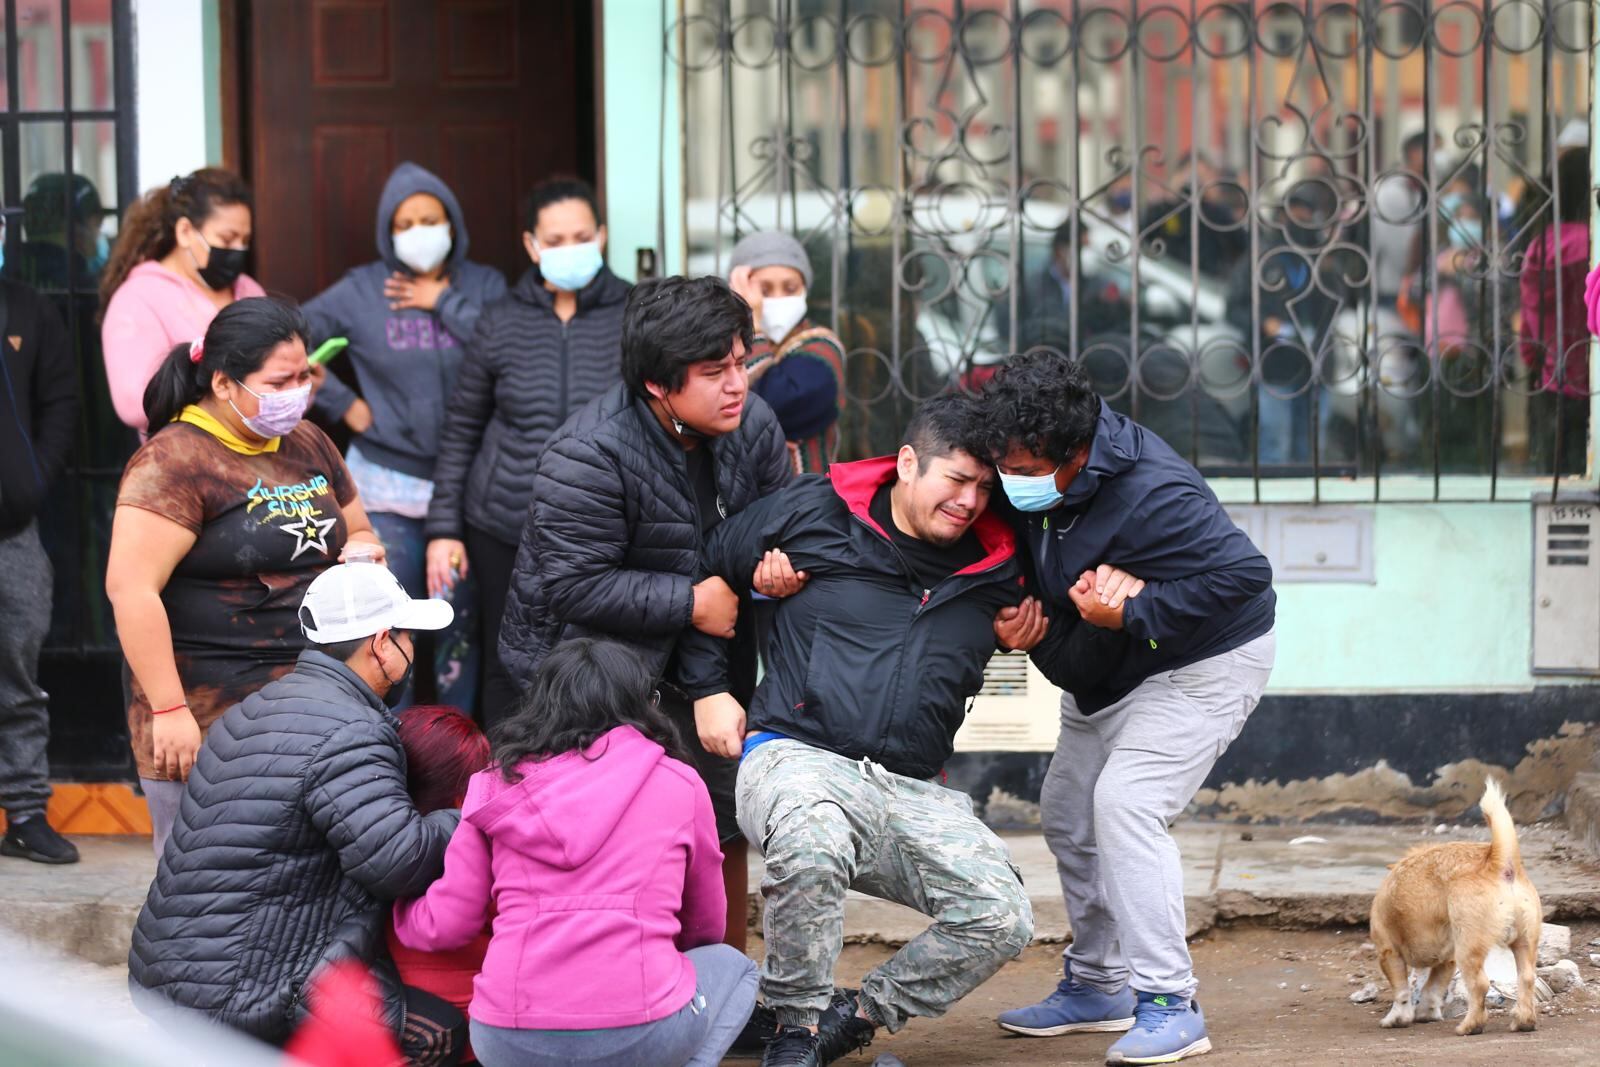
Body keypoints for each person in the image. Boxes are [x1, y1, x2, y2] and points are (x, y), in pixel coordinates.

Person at [676, 394, 1133, 1067]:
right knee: (811, 843)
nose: (971, 501)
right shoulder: (813, 511)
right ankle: (793, 1030)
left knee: (1001, 913)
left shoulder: (1005, 557)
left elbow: (1077, 662)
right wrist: (710, 689)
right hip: (796, 755)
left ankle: (853, 1018)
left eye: (985, 487)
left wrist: (1070, 627)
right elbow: (704, 571)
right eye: (957, 479)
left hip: (911, 789)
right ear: (909, 462)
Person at [977, 352, 1275, 1065]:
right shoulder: (1031, 475)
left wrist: (1136, 608)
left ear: (1075, 455)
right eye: (1003, 465)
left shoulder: (1154, 492)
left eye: (1024, 468)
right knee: (1069, 810)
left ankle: (1170, 1001)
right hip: (1109, 667)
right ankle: (1099, 982)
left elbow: (1245, 575)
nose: (1010, 479)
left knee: (1127, 802)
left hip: (1202, 662)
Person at [496, 275, 791, 952]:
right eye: (714, 372)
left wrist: (777, 566)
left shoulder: (752, 423)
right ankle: (628, 984)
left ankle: (722, 984)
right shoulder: (588, 452)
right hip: (590, 671)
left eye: (741, 362)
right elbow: (573, 585)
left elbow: (779, 523)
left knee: (720, 820)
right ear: (658, 383)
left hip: (707, 660)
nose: (737, 385)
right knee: (621, 842)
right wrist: (691, 601)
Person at [128, 562, 463, 1064]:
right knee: (439, 1032)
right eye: (407, 637)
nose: (411, 650)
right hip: (238, 992)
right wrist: (467, 814)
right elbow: (398, 861)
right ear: (381, 644)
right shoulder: (350, 729)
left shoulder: (250, 710)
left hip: (164, 973)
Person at [394, 638, 759, 1067]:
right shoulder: (680, 782)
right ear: (642, 706)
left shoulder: (492, 786)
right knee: (736, 967)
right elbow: (706, 926)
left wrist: (395, 913)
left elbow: (448, 923)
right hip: (643, 1032)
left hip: (507, 1037)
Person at [105, 297, 385, 855]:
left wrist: (362, 547)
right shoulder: (174, 461)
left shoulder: (309, 441)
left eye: (304, 376)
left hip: (312, 703)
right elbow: (131, 589)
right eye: (279, 382)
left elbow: (359, 527)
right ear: (223, 383)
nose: (297, 392)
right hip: (210, 712)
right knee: (207, 872)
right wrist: (169, 709)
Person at [425, 178, 630, 726]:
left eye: (581, 236)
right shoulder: (500, 318)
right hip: (504, 522)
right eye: (555, 239)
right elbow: (462, 426)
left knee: (599, 662)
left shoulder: (636, 312)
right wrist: (444, 529)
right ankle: (507, 773)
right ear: (532, 245)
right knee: (507, 662)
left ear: (602, 236)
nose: (570, 248)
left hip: (603, 523)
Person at [305, 162, 507, 711]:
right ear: (387, 232)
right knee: (384, 626)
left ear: (453, 224)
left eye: (431, 219)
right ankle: (382, 747)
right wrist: (344, 404)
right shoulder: (363, 290)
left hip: (467, 488)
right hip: (384, 488)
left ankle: (454, 746)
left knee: (457, 626)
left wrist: (441, 301)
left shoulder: (485, 286)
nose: (419, 232)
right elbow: (288, 339)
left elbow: (509, 348)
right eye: (405, 223)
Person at [0, 260, 80, 865]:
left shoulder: (26, 307)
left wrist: (31, 482)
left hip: (13, 531)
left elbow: (61, 402)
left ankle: (25, 815)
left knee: (18, 675)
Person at [100, 168, 265, 435]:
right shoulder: (137, 299)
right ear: (186, 231)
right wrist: (236, 393)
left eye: (244, 241)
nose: (237, 250)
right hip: (186, 454)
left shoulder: (248, 288)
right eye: (227, 239)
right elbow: (134, 403)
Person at [388, 705, 494, 1061]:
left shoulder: (367, 839)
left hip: (387, 1017)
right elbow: (450, 922)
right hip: (472, 1029)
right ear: (461, 797)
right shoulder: (483, 840)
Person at [726, 231, 845, 472]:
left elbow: (778, 405)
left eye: (790, 288)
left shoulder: (822, 347)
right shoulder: (718, 347)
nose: (778, 299)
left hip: (804, 490)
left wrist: (752, 326)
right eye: (764, 291)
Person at [1519, 147, 1591, 476]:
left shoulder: (1541, 244)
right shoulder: (1592, 243)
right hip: (1591, 383)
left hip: (1551, 382)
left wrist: (1535, 360)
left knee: (1555, 483)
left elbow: (1529, 319)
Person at [1, 172, 111, 290]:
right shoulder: (83, 285)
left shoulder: (8, 276)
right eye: (97, 223)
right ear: (76, 228)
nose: (99, 234)